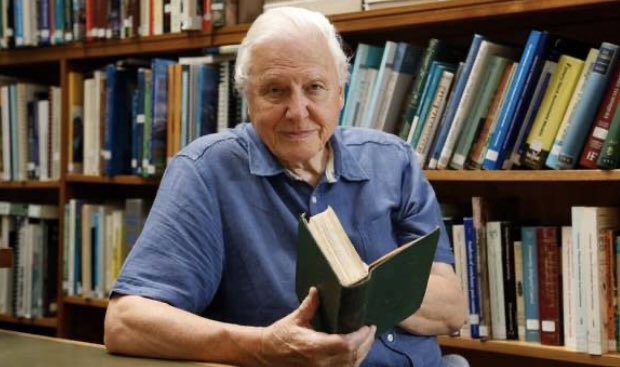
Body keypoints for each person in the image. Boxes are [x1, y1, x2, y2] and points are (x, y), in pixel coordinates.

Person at [104, 6, 467, 367]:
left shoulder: (393, 160)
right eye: (275, 91)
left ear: (340, 94)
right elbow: (125, 323)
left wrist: (360, 294)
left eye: (315, 88)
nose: (297, 111)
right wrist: (263, 346)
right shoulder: (205, 172)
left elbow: (451, 309)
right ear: (248, 100)